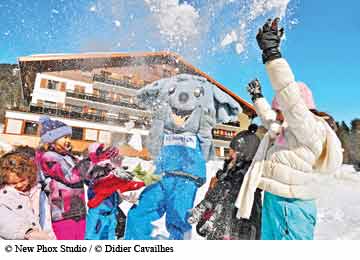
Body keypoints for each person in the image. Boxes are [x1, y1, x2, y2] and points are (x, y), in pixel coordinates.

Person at [235, 18, 343, 240]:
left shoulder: (309, 128)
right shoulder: (286, 130)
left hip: (292, 206)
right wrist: (257, 98)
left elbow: (289, 93)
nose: (279, 115)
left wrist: (272, 55)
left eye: (281, 109)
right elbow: (268, 119)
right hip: (275, 200)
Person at [188, 124, 262, 240]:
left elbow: (224, 196)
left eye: (233, 151)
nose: (230, 154)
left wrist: (205, 206)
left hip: (237, 230)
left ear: (244, 154)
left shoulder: (244, 178)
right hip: (223, 226)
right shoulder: (229, 173)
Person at [0, 150, 55, 240]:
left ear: (29, 175)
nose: (19, 185)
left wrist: (51, 239)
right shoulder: (4, 194)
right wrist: (27, 232)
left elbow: (46, 220)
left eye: (22, 180)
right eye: (13, 183)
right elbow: (4, 219)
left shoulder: (38, 192)